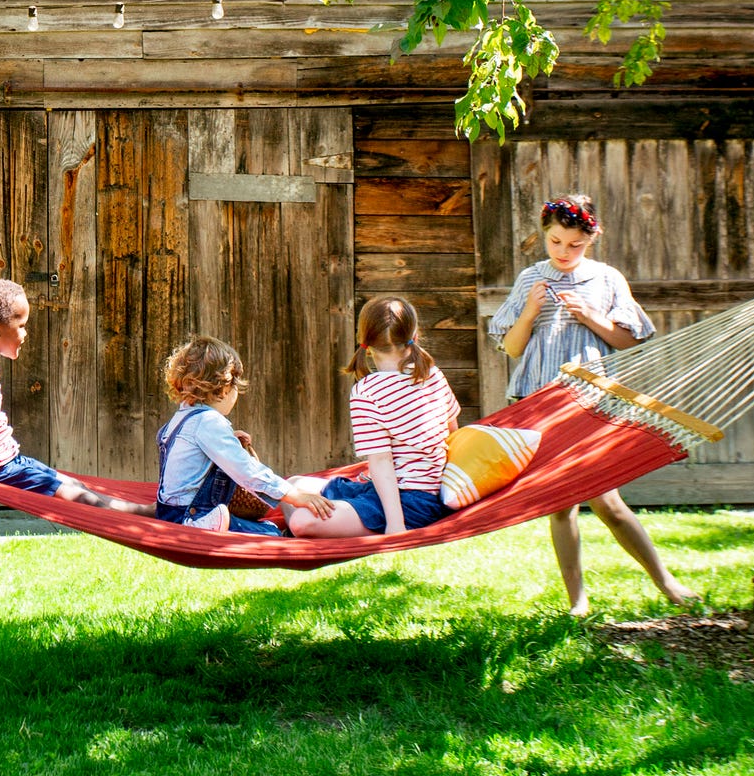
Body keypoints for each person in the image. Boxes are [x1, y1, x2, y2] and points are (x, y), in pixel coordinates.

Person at [488, 193, 697, 615]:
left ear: (592, 238)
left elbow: (631, 341)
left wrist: (591, 318)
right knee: (561, 505)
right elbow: (510, 348)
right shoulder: (531, 278)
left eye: (575, 244)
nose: (564, 252)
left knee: (607, 502)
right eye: (556, 242)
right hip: (540, 401)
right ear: (544, 235)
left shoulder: (607, 279)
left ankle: (667, 582)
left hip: (591, 403)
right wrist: (529, 313)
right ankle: (577, 602)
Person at [0, 277, 152, 515]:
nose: (25, 334)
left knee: (73, 485)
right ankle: (143, 514)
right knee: (75, 495)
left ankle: (139, 509)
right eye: (22, 325)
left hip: (1, 461)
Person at [286, 295, 460, 539]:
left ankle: (304, 540)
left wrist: (395, 525)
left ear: (364, 341)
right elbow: (454, 433)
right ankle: (304, 540)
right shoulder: (432, 373)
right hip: (381, 492)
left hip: (410, 504)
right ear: (415, 336)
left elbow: (381, 462)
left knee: (302, 520)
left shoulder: (367, 391)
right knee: (292, 487)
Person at [157, 336, 335, 534]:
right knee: (273, 533)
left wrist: (228, 438)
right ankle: (203, 525)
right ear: (224, 388)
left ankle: (210, 521)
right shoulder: (209, 421)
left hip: (169, 512)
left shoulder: (181, 418)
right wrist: (293, 494)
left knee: (266, 527)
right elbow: (246, 469)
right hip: (192, 514)